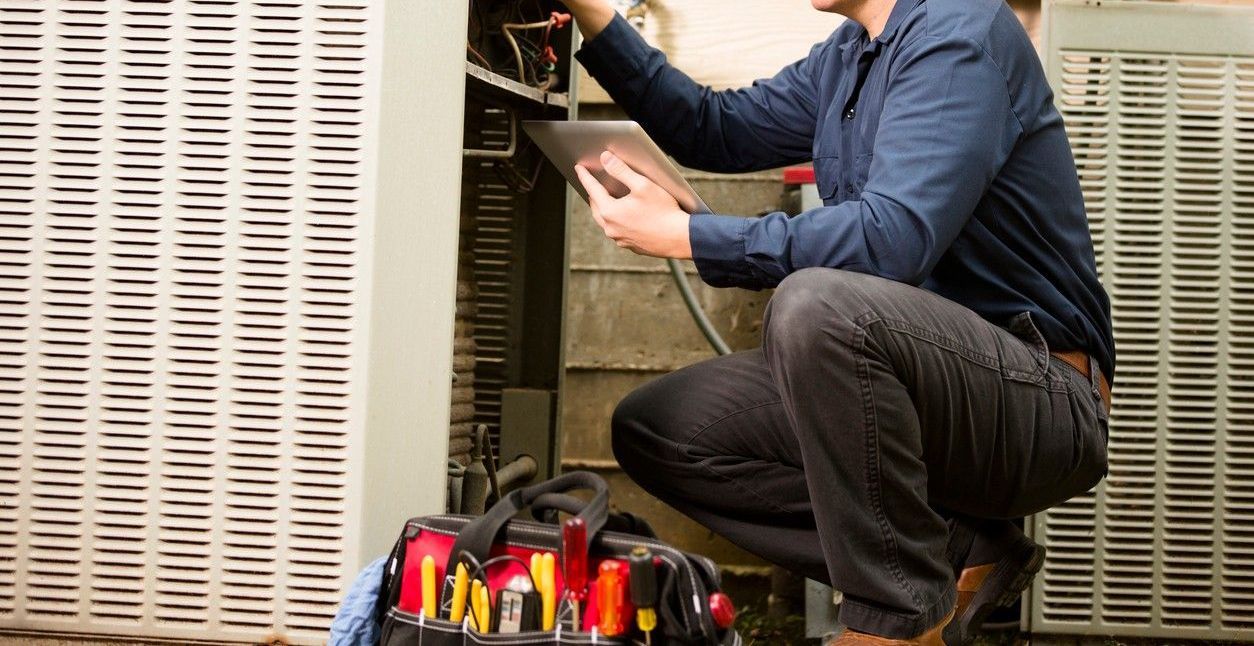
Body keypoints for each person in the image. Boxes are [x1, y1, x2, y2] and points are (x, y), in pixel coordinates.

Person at [563, 0, 1114, 644]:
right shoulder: (849, 55)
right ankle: (958, 550)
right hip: (918, 383)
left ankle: (900, 621)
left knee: (818, 307)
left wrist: (689, 234)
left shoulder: (960, 36)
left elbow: (892, 240)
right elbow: (714, 130)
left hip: (1034, 397)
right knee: (664, 428)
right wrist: (593, 14)